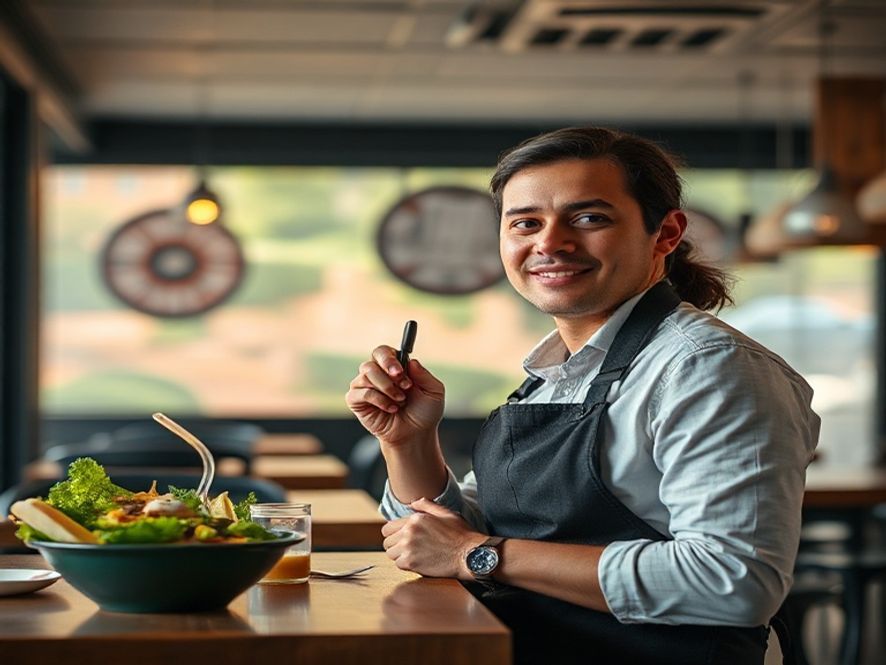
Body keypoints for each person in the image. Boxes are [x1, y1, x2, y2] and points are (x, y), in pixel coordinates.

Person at [346, 126, 820, 665]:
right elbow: (462, 531)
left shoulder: (710, 370)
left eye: (589, 218)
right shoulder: (556, 371)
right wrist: (407, 441)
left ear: (665, 233)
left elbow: (733, 582)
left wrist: (475, 556)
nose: (549, 243)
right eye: (526, 222)